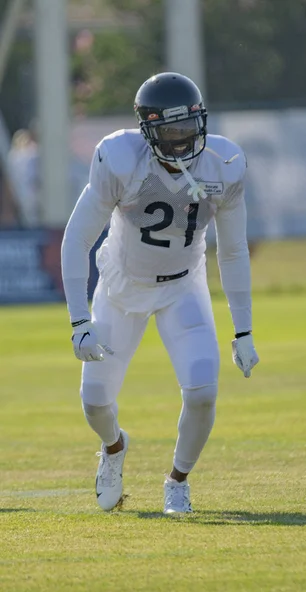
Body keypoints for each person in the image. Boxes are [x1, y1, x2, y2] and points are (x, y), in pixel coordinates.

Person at [61, 72, 259, 513]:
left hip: (182, 286)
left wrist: (243, 329)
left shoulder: (224, 165)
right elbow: (77, 238)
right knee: (94, 402)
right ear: (147, 131)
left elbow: (233, 250)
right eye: (169, 132)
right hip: (120, 288)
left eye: (187, 129)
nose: (181, 141)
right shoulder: (120, 158)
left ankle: (178, 480)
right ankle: (113, 449)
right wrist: (79, 320)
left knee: (204, 392)